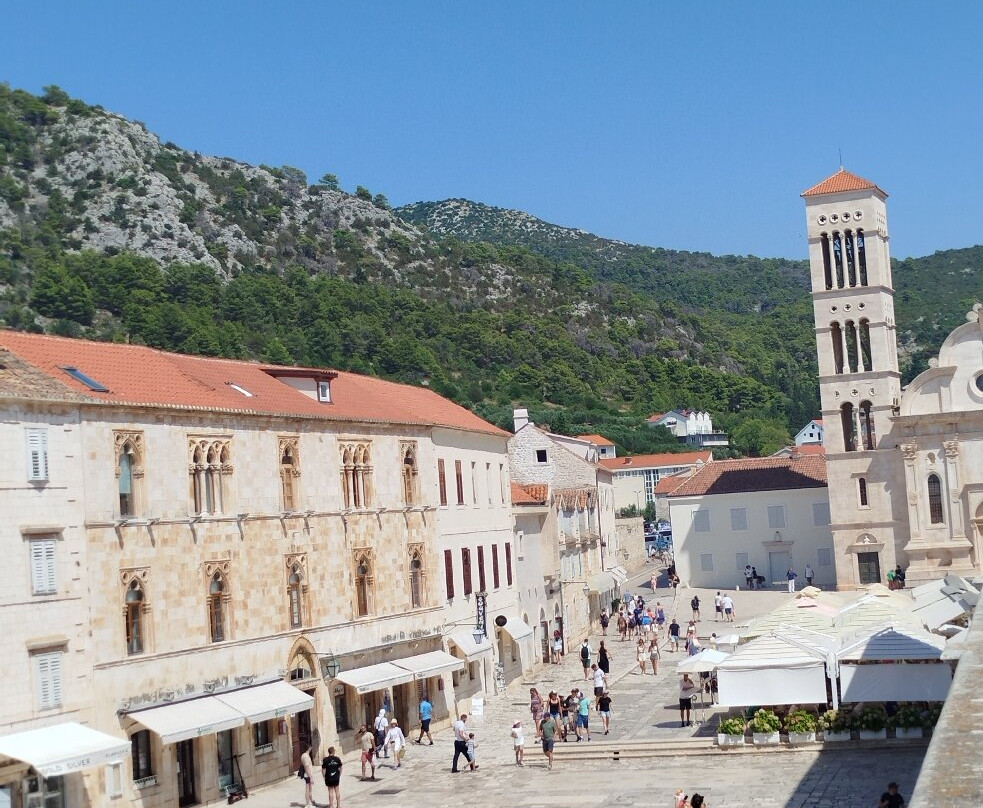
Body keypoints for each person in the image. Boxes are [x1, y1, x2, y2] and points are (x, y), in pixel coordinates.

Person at [300, 743, 315, 808]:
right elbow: (307, 767)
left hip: (307, 774)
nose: (311, 748)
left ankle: (311, 802)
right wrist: (311, 777)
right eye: (311, 747)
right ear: (309, 748)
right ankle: (308, 804)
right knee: (308, 790)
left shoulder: (303, 755)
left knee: (309, 789)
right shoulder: (306, 756)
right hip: (308, 775)